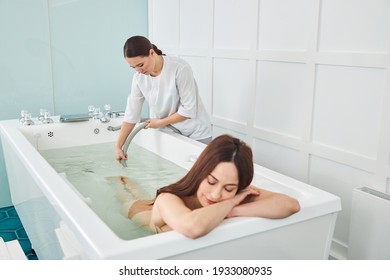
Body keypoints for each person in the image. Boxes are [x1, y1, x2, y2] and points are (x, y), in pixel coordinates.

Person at [114, 134, 300, 239]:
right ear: (200, 172)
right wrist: (231, 201)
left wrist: (233, 209)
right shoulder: (167, 199)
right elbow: (192, 227)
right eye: (211, 182)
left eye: (229, 188)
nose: (217, 194)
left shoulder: (234, 196)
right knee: (125, 186)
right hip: (138, 211)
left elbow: (290, 204)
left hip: (165, 210)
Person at [115, 35, 212, 163]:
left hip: (195, 133)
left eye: (140, 64)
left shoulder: (179, 68)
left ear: (151, 53)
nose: (138, 70)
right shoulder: (139, 79)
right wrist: (118, 146)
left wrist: (160, 122)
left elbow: (189, 109)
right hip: (170, 132)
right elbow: (131, 114)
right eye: (133, 67)